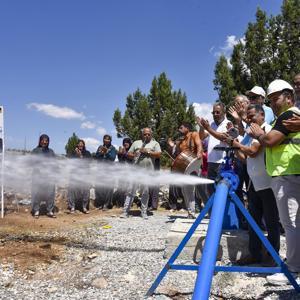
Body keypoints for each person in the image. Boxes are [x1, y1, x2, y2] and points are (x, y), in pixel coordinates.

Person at [250, 79, 300, 285]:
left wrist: (260, 134)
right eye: (270, 100)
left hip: (287, 174)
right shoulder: (289, 115)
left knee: (290, 224)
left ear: (288, 97)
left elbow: (270, 141)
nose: (272, 104)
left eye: (275, 98)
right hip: (288, 174)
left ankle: (294, 270)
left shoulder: (288, 115)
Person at [231, 105, 280, 266]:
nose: (250, 119)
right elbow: (245, 157)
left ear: (262, 116)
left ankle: (272, 255)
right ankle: (255, 253)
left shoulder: (265, 131)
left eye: (253, 116)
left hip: (267, 184)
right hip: (253, 184)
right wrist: (233, 145)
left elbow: (253, 152)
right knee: (253, 221)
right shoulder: (250, 133)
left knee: (271, 222)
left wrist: (237, 144)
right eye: (249, 116)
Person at [121, 128, 161, 219]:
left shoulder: (155, 143)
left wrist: (147, 151)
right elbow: (128, 154)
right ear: (142, 135)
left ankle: (143, 212)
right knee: (131, 191)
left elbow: (159, 154)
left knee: (145, 192)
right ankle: (125, 212)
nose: (146, 136)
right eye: (145, 134)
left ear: (151, 135)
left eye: (148, 134)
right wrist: (135, 154)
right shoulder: (136, 143)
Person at [168, 122, 202, 218]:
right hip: (185, 167)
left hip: (194, 164)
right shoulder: (181, 141)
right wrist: (171, 146)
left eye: (181, 127)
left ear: (187, 128)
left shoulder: (194, 134)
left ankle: (192, 212)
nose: (179, 129)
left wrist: (199, 153)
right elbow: (177, 154)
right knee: (185, 190)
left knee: (190, 189)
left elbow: (199, 144)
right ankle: (190, 212)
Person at [31, 134, 56, 219]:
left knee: (50, 193)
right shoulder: (35, 150)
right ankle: (36, 210)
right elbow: (31, 162)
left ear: (48, 142)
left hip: (49, 177)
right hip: (37, 176)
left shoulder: (51, 152)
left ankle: (49, 210)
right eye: (43, 140)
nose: (45, 142)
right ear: (40, 141)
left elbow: (54, 163)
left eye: (46, 141)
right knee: (36, 193)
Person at [67, 139, 92, 214]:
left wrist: (81, 156)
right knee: (71, 189)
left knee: (86, 190)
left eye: (82, 144)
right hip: (74, 175)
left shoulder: (87, 153)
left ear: (84, 145)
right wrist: (76, 155)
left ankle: (84, 207)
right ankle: (72, 207)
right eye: (79, 144)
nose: (80, 145)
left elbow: (89, 162)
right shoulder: (73, 153)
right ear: (77, 145)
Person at [94, 135, 117, 210]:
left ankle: (107, 204)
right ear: (103, 140)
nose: (106, 140)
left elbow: (112, 158)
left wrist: (106, 152)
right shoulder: (100, 147)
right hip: (100, 170)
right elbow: (96, 157)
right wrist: (101, 153)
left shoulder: (113, 148)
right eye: (105, 139)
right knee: (100, 187)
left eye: (108, 139)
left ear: (110, 140)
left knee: (108, 188)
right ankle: (101, 203)